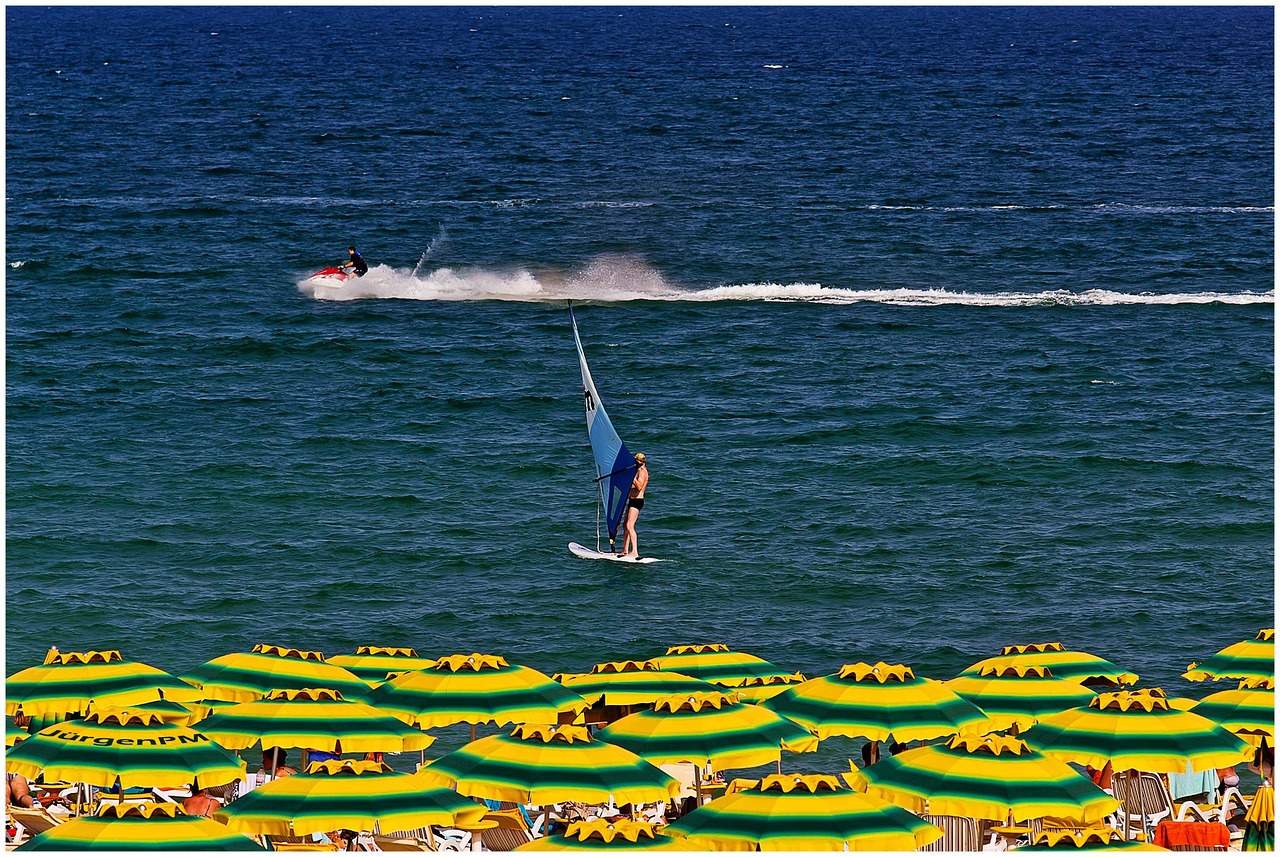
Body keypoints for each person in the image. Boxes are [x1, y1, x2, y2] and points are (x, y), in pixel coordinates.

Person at [619, 452, 648, 560]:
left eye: (637, 460)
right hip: (631, 501)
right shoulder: (637, 470)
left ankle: (635, 552)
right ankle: (625, 550)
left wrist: (632, 478)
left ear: (642, 461)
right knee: (625, 526)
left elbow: (639, 486)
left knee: (630, 526)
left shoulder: (642, 472)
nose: (636, 462)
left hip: (637, 501)